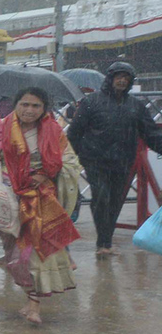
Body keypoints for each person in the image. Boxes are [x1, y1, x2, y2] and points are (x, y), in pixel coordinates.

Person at [0, 87, 81, 324]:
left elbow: (70, 161)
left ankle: (34, 305)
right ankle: (29, 295)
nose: (29, 110)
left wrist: (47, 175)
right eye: (25, 104)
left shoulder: (54, 131)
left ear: (44, 109)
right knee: (13, 254)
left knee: (31, 254)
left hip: (40, 200)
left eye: (36, 106)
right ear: (16, 104)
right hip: (8, 201)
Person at [66, 61, 162, 257]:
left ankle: (105, 241)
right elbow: (74, 133)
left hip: (123, 161)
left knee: (116, 201)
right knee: (101, 197)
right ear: (110, 79)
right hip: (95, 161)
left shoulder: (136, 106)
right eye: (118, 77)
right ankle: (103, 242)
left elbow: (151, 134)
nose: (122, 81)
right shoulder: (91, 102)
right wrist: (71, 159)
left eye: (126, 78)